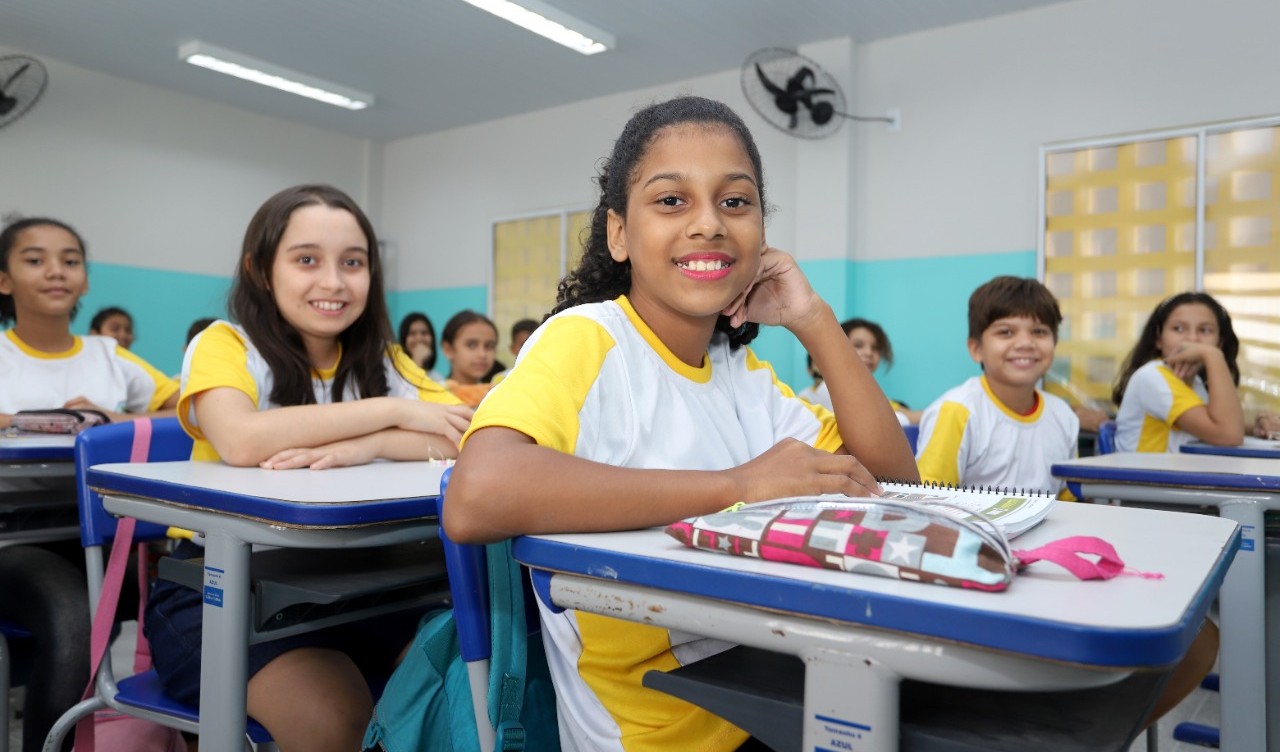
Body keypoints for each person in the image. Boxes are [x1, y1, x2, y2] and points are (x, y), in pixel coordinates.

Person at [444, 96, 916, 752]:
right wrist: (736, 485)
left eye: (735, 202)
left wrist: (814, 319)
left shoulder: (743, 374)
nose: (708, 224)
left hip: (767, 692)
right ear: (618, 233)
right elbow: (476, 496)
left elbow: (894, 481)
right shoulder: (586, 339)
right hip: (657, 731)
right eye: (671, 201)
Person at [144, 184, 473, 752]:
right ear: (259, 270)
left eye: (353, 262)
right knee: (336, 723)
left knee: (460, 684)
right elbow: (242, 439)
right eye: (306, 260)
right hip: (221, 593)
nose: (334, 282)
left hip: (357, 587)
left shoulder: (382, 358)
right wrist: (391, 413)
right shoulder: (225, 345)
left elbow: (462, 435)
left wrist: (363, 446)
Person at [0, 216, 179, 751]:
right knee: (71, 613)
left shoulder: (107, 354)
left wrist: (111, 419)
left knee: (182, 591)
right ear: (4, 280)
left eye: (71, 260)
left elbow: (185, 411)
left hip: (105, 545)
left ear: (85, 279)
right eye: (35, 260)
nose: (56, 271)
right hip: (12, 544)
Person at [916, 276, 1078, 495]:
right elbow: (927, 502)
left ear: (1054, 343)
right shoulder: (956, 412)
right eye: (1006, 332)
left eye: (1039, 332)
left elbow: (1069, 501)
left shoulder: (1063, 415)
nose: (1025, 343)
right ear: (976, 349)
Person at [1112, 292, 1244, 453]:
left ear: (1220, 341)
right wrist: (1213, 354)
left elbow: (1213, 424)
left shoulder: (1194, 382)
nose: (1192, 339)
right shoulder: (1154, 377)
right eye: (1178, 328)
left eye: (1205, 330)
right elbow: (1229, 435)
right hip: (1145, 476)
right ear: (1158, 339)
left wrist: (1255, 428)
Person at [799, 317, 919, 424]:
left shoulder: (873, 395)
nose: (869, 353)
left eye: (875, 348)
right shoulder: (824, 391)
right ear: (837, 347)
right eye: (858, 345)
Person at [440, 309, 500, 406]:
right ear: (448, 349)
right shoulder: (434, 396)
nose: (482, 354)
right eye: (471, 345)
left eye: (489, 346)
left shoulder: (497, 395)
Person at [398, 311, 445, 383]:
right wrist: (417, 361)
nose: (419, 338)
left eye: (424, 333)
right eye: (412, 333)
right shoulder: (396, 374)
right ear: (404, 341)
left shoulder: (437, 378)